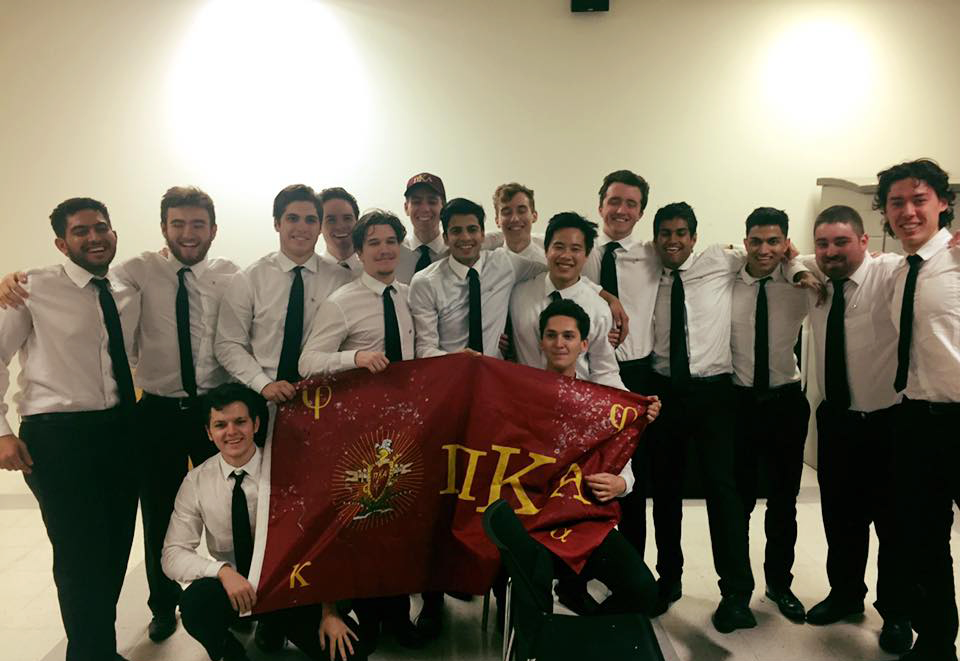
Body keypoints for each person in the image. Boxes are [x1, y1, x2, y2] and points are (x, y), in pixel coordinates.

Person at [0, 186, 240, 641]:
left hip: (185, 414)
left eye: (100, 229)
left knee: (125, 536)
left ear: (213, 229)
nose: (188, 233)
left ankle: (237, 600)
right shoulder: (118, 274)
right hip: (126, 419)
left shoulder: (212, 277)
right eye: (178, 224)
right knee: (144, 521)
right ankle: (159, 607)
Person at [644, 201, 817, 632]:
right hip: (663, 391)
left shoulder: (722, 262)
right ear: (656, 238)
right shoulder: (645, 267)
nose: (673, 240)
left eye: (681, 232)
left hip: (715, 393)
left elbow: (782, 256)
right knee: (664, 493)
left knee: (725, 493)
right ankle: (668, 581)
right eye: (665, 233)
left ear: (695, 237)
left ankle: (736, 594)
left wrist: (794, 264)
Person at [0, 198, 141, 661]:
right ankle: (90, 653)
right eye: (80, 231)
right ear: (62, 242)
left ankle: (97, 646)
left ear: (114, 234)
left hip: (119, 429)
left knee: (117, 543)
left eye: (101, 227)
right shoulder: (31, 289)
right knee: (80, 552)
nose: (94, 237)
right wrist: (1, 431)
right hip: (57, 436)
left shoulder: (124, 288)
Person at [214, 183, 353, 650]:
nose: (301, 228)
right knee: (266, 508)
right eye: (292, 218)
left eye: (310, 220)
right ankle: (267, 604)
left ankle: (316, 602)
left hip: (325, 409)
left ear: (321, 226)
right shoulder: (250, 279)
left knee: (315, 505)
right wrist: (262, 385)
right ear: (277, 223)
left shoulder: (339, 278)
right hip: (269, 406)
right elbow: (229, 343)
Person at [161, 382, 363, 661]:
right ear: (209, 433)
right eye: (220, 425)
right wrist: (222, 571)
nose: (231, 432)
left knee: (351, 653)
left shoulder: (289, 469)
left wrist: (330, 611)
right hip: (236, 588)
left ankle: (274, 625)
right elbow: (172, 555)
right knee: (195, 604)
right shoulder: (196, 482)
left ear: (256, 424)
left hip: (289, 585)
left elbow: (323, 542)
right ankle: (230, 652)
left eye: (240, 422)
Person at [298, 209, 421, 649]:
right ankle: (367, 615)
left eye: (391, 241)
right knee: (364, 524)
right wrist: (355, 358)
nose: (384, 250)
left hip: (406, 428)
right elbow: (307, 362)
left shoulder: (411, 295)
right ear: (360, 250)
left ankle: (398, 614)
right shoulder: (342, 302)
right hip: (360, 433)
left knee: (399, 523)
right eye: (374, 243)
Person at [804, 204, 912, 655]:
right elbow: (790, 259)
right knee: (840, 519)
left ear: (865, 241)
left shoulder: (889, 273)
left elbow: (922, 258)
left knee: (894, 525)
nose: (831, 251)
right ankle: (846, 595)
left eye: (841, 242)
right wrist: (796, 267)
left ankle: (896, 611)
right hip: (836, 422)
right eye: (823, 243)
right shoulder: (814, 279)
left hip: (887, 423)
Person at [877, 159, 960, 661]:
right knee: (926, 541)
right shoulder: (897, 268)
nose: (908, 212)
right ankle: (935, 645)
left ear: (943, 203)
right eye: (896, 203)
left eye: (919, 199)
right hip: (916, 419)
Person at [537, 299, 659, 616]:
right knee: (532, 606)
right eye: (551, 335)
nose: (559, 344)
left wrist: (621, 483)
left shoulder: (602, 399)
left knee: (645, 592)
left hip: (584, 520)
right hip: (532, 521)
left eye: (568, 336)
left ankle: (591, 631)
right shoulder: (522, 392)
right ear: (541, 342)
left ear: (584, 344)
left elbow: (623, 457)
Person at [730, 207, 809, 623]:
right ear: (745, 242)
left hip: (785, 403)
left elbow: (847, 264)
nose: (764, 250)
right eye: (756, 241)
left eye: (773, 241)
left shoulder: (802, 278)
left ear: (785, 243)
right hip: (740, 404)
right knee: (737, 503)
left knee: (784, 502)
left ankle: (779, 583)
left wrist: (795, 265)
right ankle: (738, 589)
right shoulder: (727, 279)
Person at [581, 170, 661, 562]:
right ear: (600, 206)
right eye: (614, 201)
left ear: (641, 212)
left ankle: (631, 568)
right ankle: (581, 566)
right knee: (585, 475)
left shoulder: (654, 253)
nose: (621, 210)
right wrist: (605, 294)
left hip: (636, 374)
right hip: (588, 378)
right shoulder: (582, 252)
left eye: (631, 203)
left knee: (632, 479)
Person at [409, 197, 546, 359]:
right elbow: (424, 348)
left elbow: (549, 268)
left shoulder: (505, 263)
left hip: (494, 373)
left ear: (482, 235)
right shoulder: (425, 282)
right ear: (445, 238)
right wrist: (454, 358)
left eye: (472, 229)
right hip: (449, 375)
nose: (465, 237)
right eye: (456, 231)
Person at [509, 211, 624, 387]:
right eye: (559, 247)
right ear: (546, 250)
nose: (565, 256)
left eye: (575, 249)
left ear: (586, 255)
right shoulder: (518, 294)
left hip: (575, 404)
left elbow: (605, 371)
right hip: (528, 401)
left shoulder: (599, 309)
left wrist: (635, 406)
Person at [397, 172, 447, 282]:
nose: (425, 208)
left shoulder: (455, 252)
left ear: (443, 206)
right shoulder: (395, 252)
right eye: (416, 202)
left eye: (432, 202)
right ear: (406, 208)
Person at [482, 182, 546, 263]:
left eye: (521, 211)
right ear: (497, 221)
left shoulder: (548, 264)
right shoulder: (485, 264)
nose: (514, 219)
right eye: (506, 212)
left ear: (534, 216)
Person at [317, 187, 363, 276]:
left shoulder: (374, 270)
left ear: (357, 222)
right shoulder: (308, 275)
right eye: (331, 220)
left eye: (347, 218)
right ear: (319, 226)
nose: (340, 226)